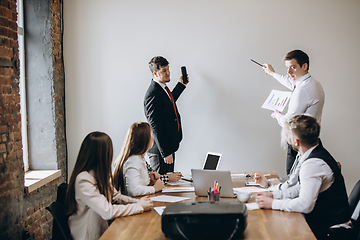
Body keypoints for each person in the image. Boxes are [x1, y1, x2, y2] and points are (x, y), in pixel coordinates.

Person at [255, 115, 350, 240]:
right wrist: (274, 195)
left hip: (331, 231)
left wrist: (273, 203)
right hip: (324, 223)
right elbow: (300, 188)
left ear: (296, 141)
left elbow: (305, 205)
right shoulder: (314, 154)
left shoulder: (313, 164)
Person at [65, 131, 153, 240]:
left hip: (102, 231)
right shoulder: (83, 180)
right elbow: (107, 211)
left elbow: (116, 197)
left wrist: (139, 202)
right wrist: (139, 207)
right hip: (87, 236)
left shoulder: (100, 175)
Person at [262, 50, 325, 174]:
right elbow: (290, 82)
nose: (289, 72)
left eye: (293, 67)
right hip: (312, 141)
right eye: (287, 68)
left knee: (293, 180)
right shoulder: (313, 84)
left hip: (299, 144)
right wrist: (272, 73)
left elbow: (288, 122)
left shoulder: (302, 90)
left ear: (304, 66)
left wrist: (277, 115)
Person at [144, 56, 189, 175]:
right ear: (155, 73)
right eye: (164, 70)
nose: (168, 72)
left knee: (169, 184)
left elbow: (169, 102)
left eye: (168, 69)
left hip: (168, 147)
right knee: (160, 185)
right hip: (160, 151)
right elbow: (155, 126)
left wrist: (181, 85)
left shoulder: (161, 89)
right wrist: (165, 152)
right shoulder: (152, 93)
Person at [113, 122, 181, 197]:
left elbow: (140, 184)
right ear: (144, 139)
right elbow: (134, 190)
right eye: (151, 135)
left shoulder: (140, 159)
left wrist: (151, 181)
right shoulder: (133, 161)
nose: (153, 137)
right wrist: (154, 188)